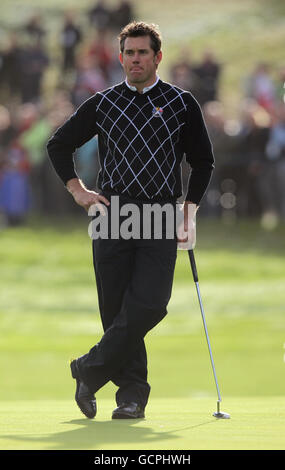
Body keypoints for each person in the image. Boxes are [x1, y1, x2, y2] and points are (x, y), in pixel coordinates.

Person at [47, 21, 214, 420]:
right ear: (121, 57)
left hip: (160, 212)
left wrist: (188, 212)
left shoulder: (180, 101)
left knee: (151, 304)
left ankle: (88, 369)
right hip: (112, 212)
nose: (135, 59)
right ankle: (131, 396)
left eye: (143, 52)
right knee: (117, 308)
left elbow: (202, 160)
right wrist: (78, 190)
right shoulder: (103, 102)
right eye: (129, 52)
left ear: (158, 57)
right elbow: (59, 144)